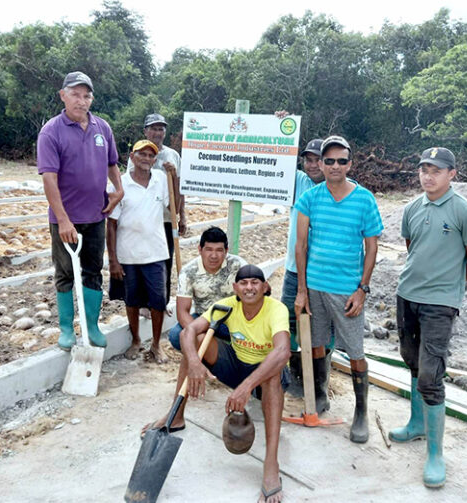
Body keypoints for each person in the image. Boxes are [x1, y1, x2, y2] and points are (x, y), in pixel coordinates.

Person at [142, 265, 290, 503]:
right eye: (244, 283)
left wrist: (246, 387)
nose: (249, 288)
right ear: (235, 288)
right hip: (237, 366)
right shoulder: (228, 305)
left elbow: (283, 351)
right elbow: (187, 331)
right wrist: (194, 362)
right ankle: (176, 415)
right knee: (196, 345)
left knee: (273, 374)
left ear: (265, 287)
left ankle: (271, 463)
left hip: (265, 376)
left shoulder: (276, 309)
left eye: (255, 282)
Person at [389, 147, 467, 488]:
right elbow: (412, 247)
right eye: (424, 170)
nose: (428, 176)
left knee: (431, 375)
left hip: (440, 305)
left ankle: (435, 454)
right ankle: (417, 424)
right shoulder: (412, 208)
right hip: (407, 296)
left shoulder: (466, 212)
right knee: (412, 362)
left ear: (452, 174)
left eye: (436, 170)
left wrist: (447, 287)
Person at [294, 135, 383, 443]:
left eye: (341, 161)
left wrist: (362, 289)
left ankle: (361, 411)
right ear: (320, 163)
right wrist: (302, 290)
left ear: (350, 163)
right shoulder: (311, 198)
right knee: (317, 343)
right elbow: (301, 245)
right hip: (315, 287)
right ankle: (320, 395)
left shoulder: (364, 199)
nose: (334, 166)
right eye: (328, 161)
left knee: (356, 351)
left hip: (347, 290)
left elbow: (371, 248)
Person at [37, 71, 123, 351]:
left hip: (96, 216)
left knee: (93, 271)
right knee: (64, 273)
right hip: (66, 220)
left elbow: (112, 163)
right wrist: (63, 220)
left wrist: (118, 189)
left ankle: (92, 325)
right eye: (75, 94)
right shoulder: (52, 131)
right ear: (63, 96)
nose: (81, 100)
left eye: (86, 95)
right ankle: (65, 328)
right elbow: (49, 178)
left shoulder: (103, 128)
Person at [279, 137, 335, 398]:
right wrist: (283, 127)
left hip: (323, 274)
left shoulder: (337, 189)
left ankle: (320, 385)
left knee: (323, 328)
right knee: (288, 321)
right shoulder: (299, 182)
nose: (312, 165)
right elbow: (278, 159)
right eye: (308, 160)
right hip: (293, 270)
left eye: (317, 160)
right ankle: (295, 377)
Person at [107, 140, 171, 364]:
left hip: (156, 253)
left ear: (155, 160)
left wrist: (175, 176)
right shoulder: (119, 184)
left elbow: (173, 206)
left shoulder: (162, 180)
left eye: (150, 155)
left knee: (158, 301)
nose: (146, 158)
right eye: (141, 154)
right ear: (132, 157)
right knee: (131, 300)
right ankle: (135, 340)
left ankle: (155, 344)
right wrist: (113, 260)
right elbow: (111, 225)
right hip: (128, 254)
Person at [127, 113, 186, 306]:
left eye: (161, 129)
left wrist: (182, 216)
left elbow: (180, 189)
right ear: (145, 131)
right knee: (142, 260)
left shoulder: (172, 155)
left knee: (165, 261)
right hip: (143, 219)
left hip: (166, 219)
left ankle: (161, 301)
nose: (157, 132)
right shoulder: (138, 153)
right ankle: (143, 304)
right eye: (153, 128)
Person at [168, 226, 247, 351]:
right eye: (209, 249)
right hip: (204, 319)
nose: (214, 255)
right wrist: (198, 332)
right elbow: (182, 312)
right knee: (176, 335)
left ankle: (222, 351)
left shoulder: (239, 265)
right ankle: (213, 348)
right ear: (200, 250)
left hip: (234, 320)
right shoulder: (188, 272)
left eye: (219, 250)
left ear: (226, 251)